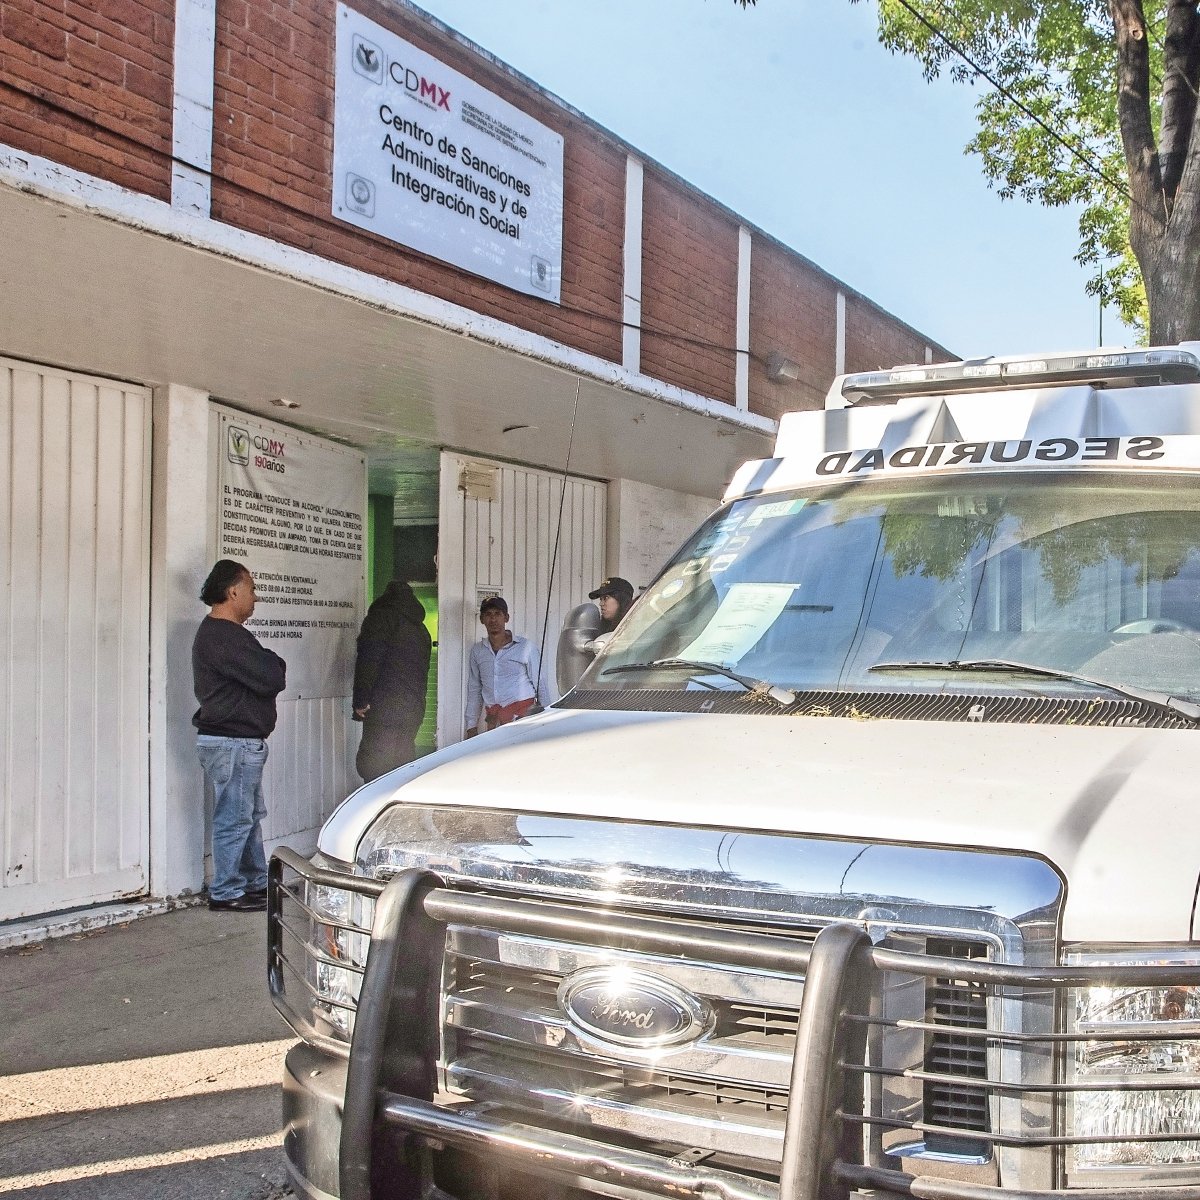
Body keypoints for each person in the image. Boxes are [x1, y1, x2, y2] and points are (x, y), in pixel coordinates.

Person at [192, 559, 287, 913]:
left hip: (236, 741)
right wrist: (273, 664)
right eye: (251, 588)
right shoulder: (223, 636)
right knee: (235, 817)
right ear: (233, 591)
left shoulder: (224, 635)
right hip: (233, 742)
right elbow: (272, 675)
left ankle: (252, 882)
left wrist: (270, 664)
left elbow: (268, 670)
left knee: (247, 813)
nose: (255, 597)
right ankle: (226, 890)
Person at [352, 579, 432, 782]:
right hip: (413, 709)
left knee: (375, 767)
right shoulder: (421, 630)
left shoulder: (380, 619)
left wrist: (361, 700)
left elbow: (368, 660)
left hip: (384, 707)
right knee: (403, 767)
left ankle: (376, 811)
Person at [465, 595, 544, 736]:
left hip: (523, 718)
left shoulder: (525, 647)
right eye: (488, 614)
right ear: (482, 619)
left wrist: (547, 719)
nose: (493, 619)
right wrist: (471, 725)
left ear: (506, 617)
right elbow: (474, 689)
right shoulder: (478, 651)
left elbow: (540, 684)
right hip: (494, 721)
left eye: (497, 614)